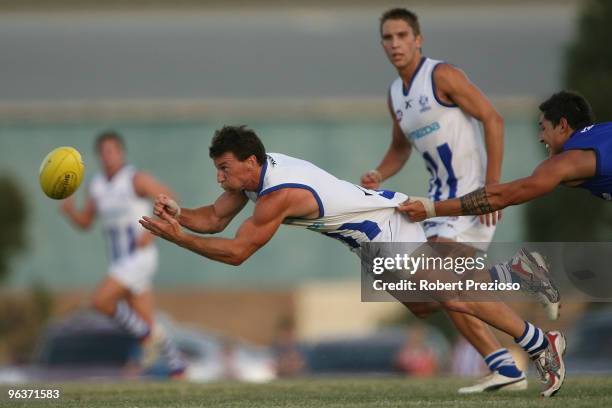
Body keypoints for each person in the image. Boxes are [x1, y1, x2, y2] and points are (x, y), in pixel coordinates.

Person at [139, 125, 566, 397]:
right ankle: (519, 286)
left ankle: (536, 338)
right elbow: (213, 219)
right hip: (370, 241)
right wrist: (179, 214)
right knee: (423, 306)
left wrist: (177, 239)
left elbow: (237, 253)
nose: (220, 178)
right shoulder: (255, 176)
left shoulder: (278, 194)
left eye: (224, 168)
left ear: (249, 162)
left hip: (388, 227)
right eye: (217, 169)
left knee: (455, 295)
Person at [359, 8, 533, 393]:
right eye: (388, 38)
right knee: (427, 298)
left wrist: (492, 188)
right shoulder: (395, 95)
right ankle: (504, 366)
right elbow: (399, 148)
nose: (395, 44)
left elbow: (494, 119)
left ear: (418, 39)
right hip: (437, 204)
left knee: (439, 278)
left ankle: (517, 287)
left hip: (470, 200)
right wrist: (379, 173)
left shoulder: (442, 76)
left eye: (402, 35)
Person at [60, 130, 186, 377]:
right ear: (99, 156)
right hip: (118, 260)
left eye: (113, 151)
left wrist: (153, 232)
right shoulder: (96, 186)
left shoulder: (135, 178)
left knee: (100, 301)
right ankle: (178, 368)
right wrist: (69, 211)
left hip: (139, 256)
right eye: (104, 152)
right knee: (146, 318)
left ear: (121, 152)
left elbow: (171, 199)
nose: (109, 156)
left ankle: (145, 338)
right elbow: (86, 222)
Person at [400, 91, 604, 223]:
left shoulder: (567, 161)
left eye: (543, 128)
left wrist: (430, 209)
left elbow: (503, 196)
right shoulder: (601, 135)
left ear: (562, 125)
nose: (541, 138)